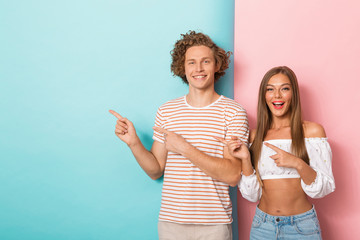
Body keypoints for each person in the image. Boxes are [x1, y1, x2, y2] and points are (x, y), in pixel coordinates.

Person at [109, 31, 249, 240]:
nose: (198, 68)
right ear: (183, 68)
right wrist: (134, 143)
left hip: (214, 224)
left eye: (206, 61)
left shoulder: (233, 112)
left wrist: (184, 148)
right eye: (191, 62)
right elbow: (156, 170)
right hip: (170, 223)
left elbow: (232, 176)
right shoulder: (167, 111)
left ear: (217, 65)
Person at [219, 66, 335, 239]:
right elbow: (252, 195)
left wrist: (297, 163)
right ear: (264, 96)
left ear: (293, 94)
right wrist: (245, 159)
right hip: (262, 226)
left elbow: (324, 188)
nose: (277, 95)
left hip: (302, 227)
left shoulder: (312, 132)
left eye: (285, 89)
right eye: (270, 89)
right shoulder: (254, 136)